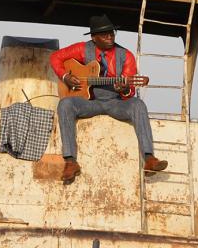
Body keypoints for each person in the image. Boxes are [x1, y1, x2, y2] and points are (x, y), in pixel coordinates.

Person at [50, 14, 168, 184]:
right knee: (65, 104)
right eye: (104, 35)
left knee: (138, 105)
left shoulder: (125, 56)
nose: (109, 37)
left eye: (111, 33)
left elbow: (130, 91)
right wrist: (65, 76)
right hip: (89, 102)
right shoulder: (83, 49)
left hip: (115, 102)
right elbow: (55, 57)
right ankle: (70, 162)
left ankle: (149, 159)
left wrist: (126, 88)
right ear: (93, 37)